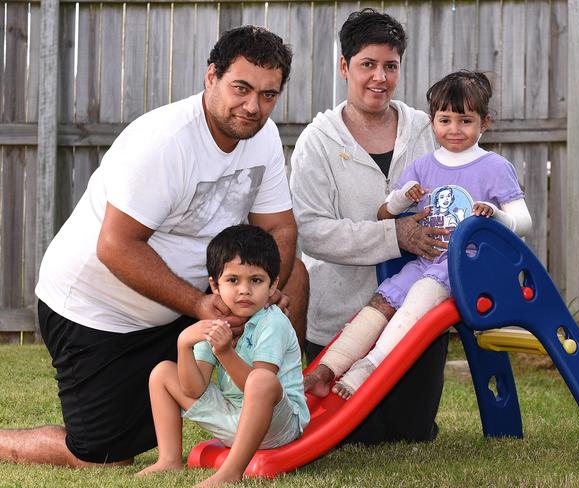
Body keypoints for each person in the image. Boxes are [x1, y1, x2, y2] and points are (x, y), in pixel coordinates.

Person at [0, 25, 304, 467]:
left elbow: (280, 228)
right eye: (241, 88)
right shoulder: (164, 140)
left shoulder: (264, 137)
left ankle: (278, 413)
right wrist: (201, 306)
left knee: (297, 275)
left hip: (191, 307)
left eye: (268, 94)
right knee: (103, 455)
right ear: (211, 77)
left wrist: (269, 288)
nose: (253, 106)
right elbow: (116, 247)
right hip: (96, 312)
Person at [306, 70, 533, 399]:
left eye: (465, 121)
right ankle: (328, 368)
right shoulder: (423, 166)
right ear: (432, 121)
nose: (454, 129)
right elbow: (385, 213)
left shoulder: (494, 167)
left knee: (422, 292)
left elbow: (523, 221)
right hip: (427, 261)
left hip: (470, 267)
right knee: (382, 299)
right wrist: (401, 198)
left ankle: (371, 365)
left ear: (484, 123)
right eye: (445, 120)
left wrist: (495, 215)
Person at [290, 8, 450, 444]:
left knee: (411, 434)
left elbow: (465, 178)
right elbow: (313, 231)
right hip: (339, 318)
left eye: (390, 66)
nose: (379, 77)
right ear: (344, 66)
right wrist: (393, 235)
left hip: (414, 316)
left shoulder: (426, 128)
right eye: (367, 64)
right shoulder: (317, 142)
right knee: (350, 436)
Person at [136, 225, 308, 485]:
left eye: (256, 280)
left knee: (261, 380)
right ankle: (169, 459)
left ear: (273, 286)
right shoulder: (217, 323)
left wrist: (225, 352)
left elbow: (257, 384)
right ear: (215, 286)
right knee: (162, 372)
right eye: (233, 280)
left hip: (277, 425)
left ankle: (230, 473)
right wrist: (184, 344)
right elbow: (194, 389)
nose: (244, 290)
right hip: (234, 420)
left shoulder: (273, 323)